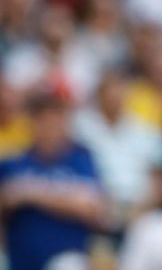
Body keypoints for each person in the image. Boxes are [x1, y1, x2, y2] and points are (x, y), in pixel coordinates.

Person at [0, 91, 107, 270]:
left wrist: (29, 192)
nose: (51, 128)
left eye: (57, 120)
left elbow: (93, 208)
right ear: (33, 123)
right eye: (44, 120)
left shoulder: (81, 159)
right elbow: (5, 200)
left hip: (70, 257)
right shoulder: (14, 163)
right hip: (21, 260)